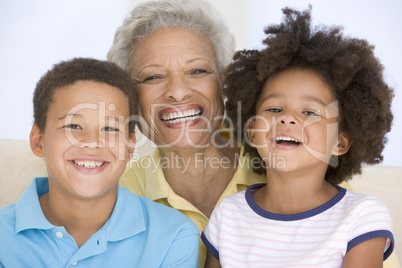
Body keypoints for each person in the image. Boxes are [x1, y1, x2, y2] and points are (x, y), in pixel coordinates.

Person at [107, 0, 400, 267]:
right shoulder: (116, 198)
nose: (178, 91)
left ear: (224, 83)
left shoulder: (313, 170)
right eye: (153, 76)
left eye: (198, 71)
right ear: (130, 96)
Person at [202, 6, 395, 267]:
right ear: (252, 132)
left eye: (310, 112)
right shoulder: (229, 214)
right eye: (274, 109)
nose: (288, 118)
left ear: (340, 142)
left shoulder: (361, 215)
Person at [0, 58, 199, 267]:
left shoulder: (173, 236)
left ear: (130, 146)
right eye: (74, 126)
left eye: (110, 129)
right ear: (39, 141)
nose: (92, 141)